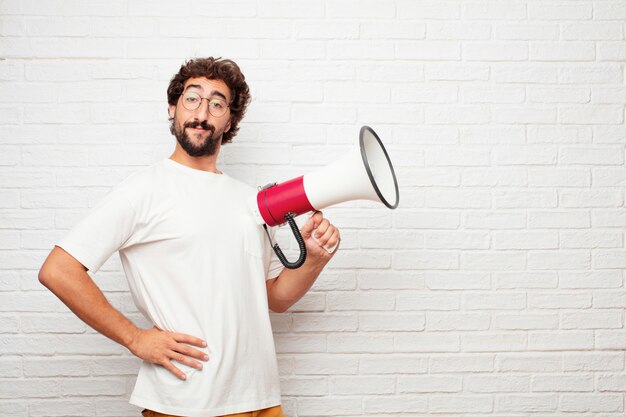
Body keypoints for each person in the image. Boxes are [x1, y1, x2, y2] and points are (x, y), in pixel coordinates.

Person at [38, 57, 340, 417]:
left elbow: (275, 297)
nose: (202, 112)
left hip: (260, 398)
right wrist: (136, 338)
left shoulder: (251, 201)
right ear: (173, 108)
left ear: (229, 121)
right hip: (185, 401)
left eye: (217, 103)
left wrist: (315, 258)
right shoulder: (143, 189)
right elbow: (58, 270)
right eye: (192, 98)